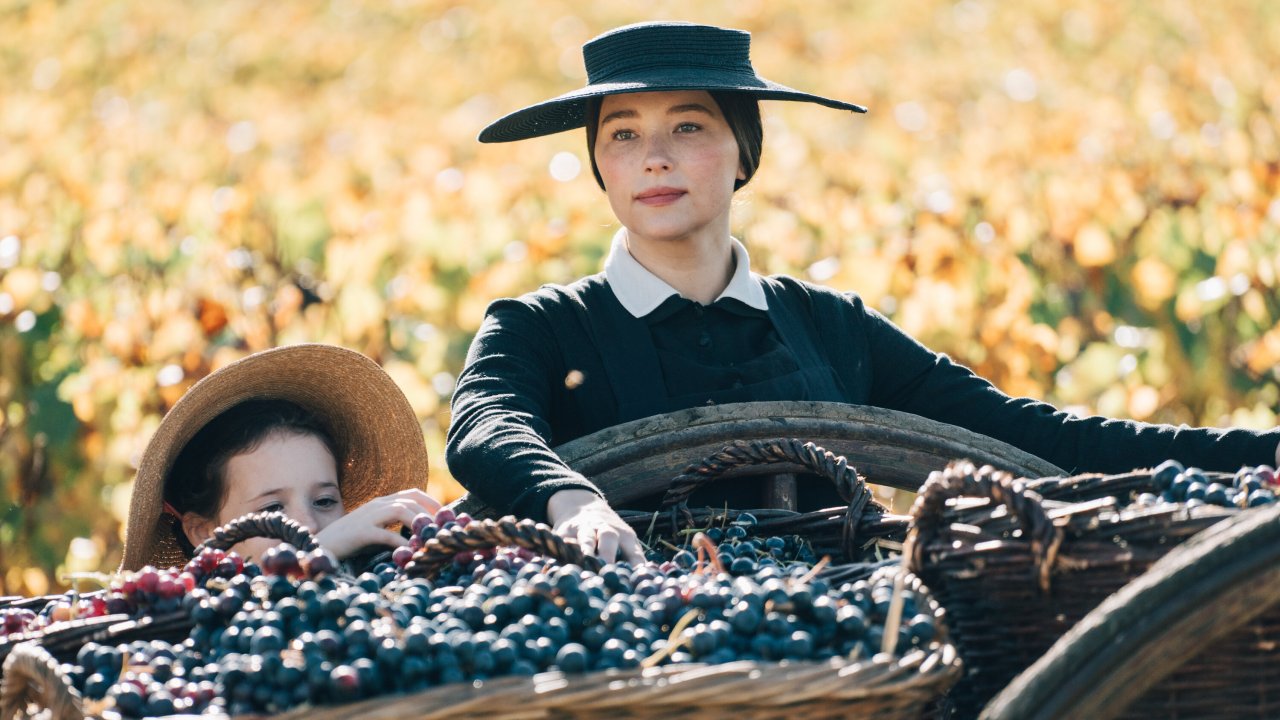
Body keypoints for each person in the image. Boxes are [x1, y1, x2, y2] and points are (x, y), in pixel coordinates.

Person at [447, 21, 1280, 564]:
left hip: (853, 654)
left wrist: (1260, 455)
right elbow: (486, 424)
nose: (653, 156)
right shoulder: (542, 327)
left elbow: (1029, 436)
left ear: (744, 151)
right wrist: (570, 500)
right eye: (623, 134)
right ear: (600, 165)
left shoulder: (830, 326)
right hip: (635, 659)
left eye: (688, 126)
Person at [122, 343, 439, 570]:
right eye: (273, 509)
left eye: (325, 501)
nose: (308, 524)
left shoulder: (384, 590)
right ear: (204, 534)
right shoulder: (194, 632)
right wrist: (319, 553)